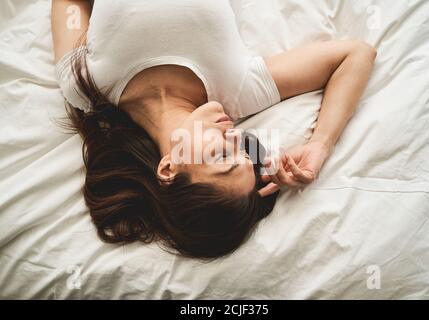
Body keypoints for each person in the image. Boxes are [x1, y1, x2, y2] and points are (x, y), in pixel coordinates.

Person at [51, 0, 377, 260]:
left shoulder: (86, 88)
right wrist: (320, 146)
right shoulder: (237, 90)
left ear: (168, 168)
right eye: (242, 149)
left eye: (221, 155)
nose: (234, 135)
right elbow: (355, 54)